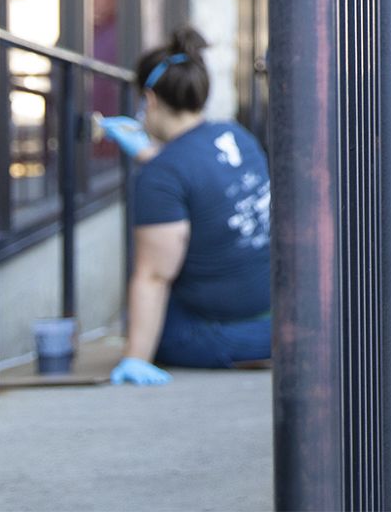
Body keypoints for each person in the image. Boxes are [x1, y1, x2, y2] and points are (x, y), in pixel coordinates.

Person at [105, 27, 272, 385]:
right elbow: (201, 177)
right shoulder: (235, 134)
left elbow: (154, 274)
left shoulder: (161, 176)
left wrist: (135, 358)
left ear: (149, 99)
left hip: (220, 327)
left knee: (152, 320)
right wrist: (152, 157)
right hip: (269, 306)